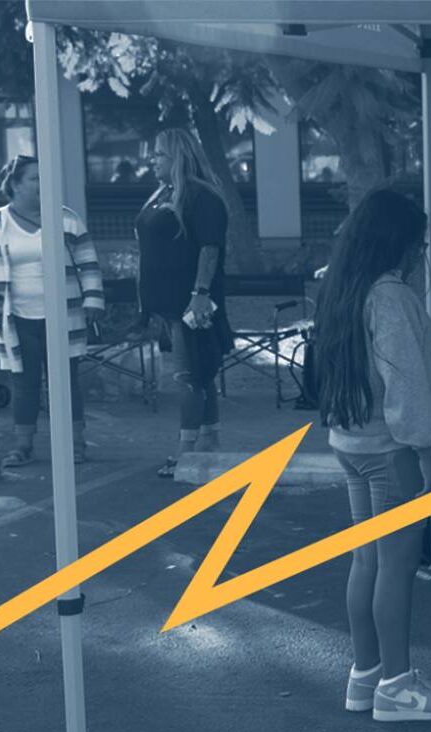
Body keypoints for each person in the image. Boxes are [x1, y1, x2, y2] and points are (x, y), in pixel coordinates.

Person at [312, 188, 431, 724]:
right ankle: (397, 686)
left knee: (367, 561)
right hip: (391, 448)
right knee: (397, 567)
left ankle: (366, 673)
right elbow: (406, 385)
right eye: (418, 244)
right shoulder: (392, 296)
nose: (420, 254)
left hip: (350, 441)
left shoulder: (345, 288)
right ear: (398, 243)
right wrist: (426, 451)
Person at [0, 155, 103, 468]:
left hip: (64, 316)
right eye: (35, 178)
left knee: (66, 380)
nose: (42, 184)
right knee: (24, 381)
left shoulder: (66, 219)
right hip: (15, 318)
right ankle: (23, 446)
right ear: (16, 184)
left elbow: (88, 261)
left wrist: (92, 300)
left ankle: (75, 444)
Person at [138, 127, 234, 478]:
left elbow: (210, 248)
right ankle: (209, 442)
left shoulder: (201, 196)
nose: (152, 160)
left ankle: (187, 450)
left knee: (189, 373)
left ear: (178, 156)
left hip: (190, 301)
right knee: (200, 371)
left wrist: (200, 293)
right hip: (167, 302)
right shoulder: (165, 192)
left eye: (159, 154)